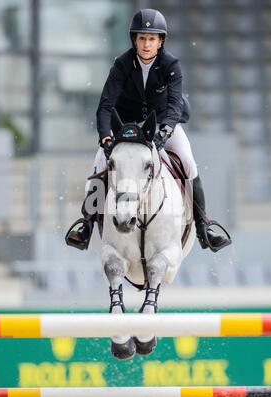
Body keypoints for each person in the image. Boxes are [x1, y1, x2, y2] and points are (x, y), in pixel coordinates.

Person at [66, 8, 232, 253]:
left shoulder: (171, 65)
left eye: (152, 39)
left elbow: (175, 105)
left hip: (162, 124)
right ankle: (87, 225)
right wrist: (105, 137)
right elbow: (105, 105)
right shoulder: (122, 64)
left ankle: (203, 226)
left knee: (188, 161)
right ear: (135, 39)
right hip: (125, 127)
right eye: (142, 38)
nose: (146, 44)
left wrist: (164, 133)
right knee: (99, 164)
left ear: (160, 41)